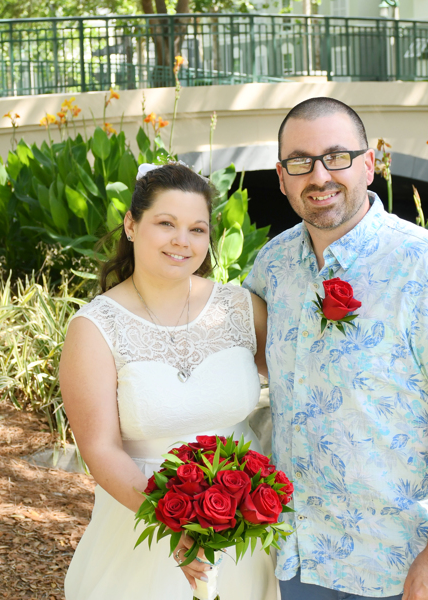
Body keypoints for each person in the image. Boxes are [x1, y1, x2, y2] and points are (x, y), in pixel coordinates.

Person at [243, 98, 428, 600]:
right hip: (299, 560)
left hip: (401, 567)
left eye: (337, 156)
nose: (319, 175)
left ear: (368, 164)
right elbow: (252, 363)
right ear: (282, 178)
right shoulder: (272, 265)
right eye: (300, 162)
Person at [60, 163, 277, 600]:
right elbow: (100, 448)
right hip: (142, 519)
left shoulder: (241, 308)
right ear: (132, 225)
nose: (183, 241)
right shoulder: (95, 327)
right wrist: (176, 524)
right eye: (166, 224)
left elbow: (299, 386)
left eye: (198, 229)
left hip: (243, 522)